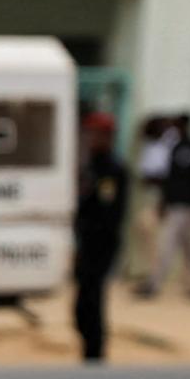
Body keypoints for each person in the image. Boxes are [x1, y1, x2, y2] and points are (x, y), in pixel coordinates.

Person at [72, 111, 128, 364]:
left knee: (93, 300)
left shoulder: (112, 169)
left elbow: (107, 212)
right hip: (86, 242)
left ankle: (95, 354)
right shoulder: (90, 165)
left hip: (101, 244)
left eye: (96, 134)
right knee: (82, 304)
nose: (91, 138)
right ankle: (88, 350)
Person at [141, 110, 190, 300]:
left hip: (186, 206)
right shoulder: (175, 149)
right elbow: (169, 179)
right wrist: (164, 201)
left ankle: (154, 284)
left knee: (168, 245)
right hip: (176, 204)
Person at [130, 114, 175, 288]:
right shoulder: (151, 147)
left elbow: (162, 178)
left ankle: (153, 279)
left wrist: (162, 202)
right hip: (149, 197)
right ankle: (149, 275)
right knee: (146, 232)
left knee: (154, 238)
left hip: (159, 199)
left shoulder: (166, 148)